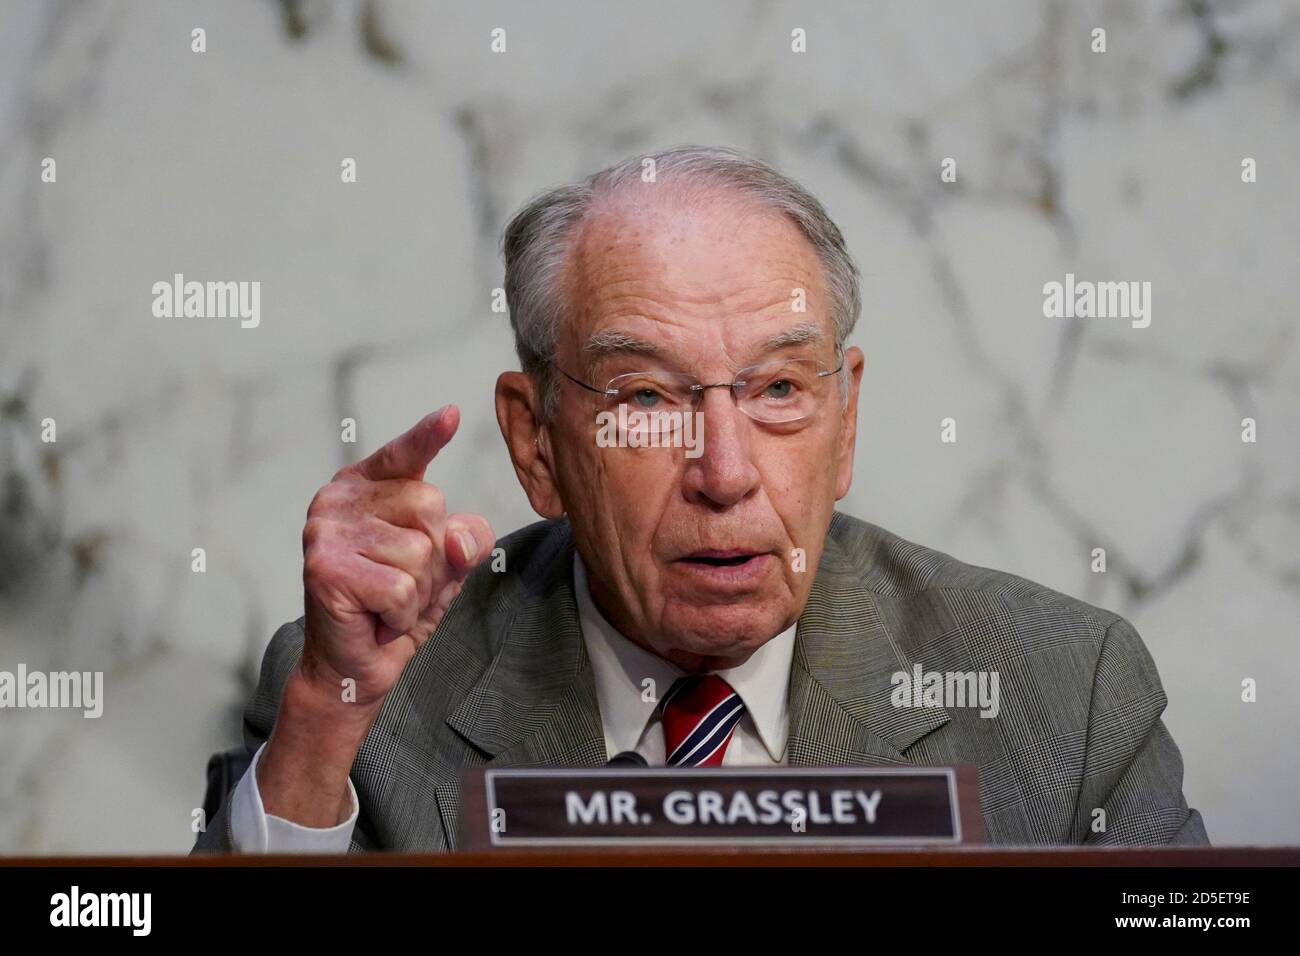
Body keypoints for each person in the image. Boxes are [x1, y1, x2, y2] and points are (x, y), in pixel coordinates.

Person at [193, 145, 1207, 852]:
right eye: (645, 397)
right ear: (535, 440)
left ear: (844, 421)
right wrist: (324, 730)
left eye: (777, 390)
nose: (724, 471)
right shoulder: (362, 701)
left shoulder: (1063, 693)